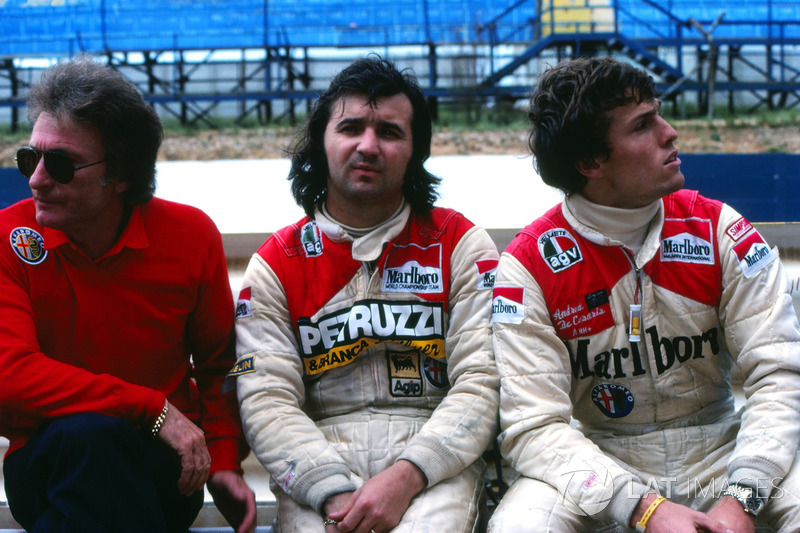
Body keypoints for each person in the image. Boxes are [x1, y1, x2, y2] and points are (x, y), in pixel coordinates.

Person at [488, 56, 800, 533]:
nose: (670, 132)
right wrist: (642, 508)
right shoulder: (528, 265)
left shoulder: (720, 230)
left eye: (659, 113)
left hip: (724, 447)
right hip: (601, 458)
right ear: (591, 162)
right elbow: (535, 427)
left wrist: (744, 495)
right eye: (642, 125)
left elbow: (778, 374)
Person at [232, 55, 500, 533]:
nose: (368, 146)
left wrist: (406, 476)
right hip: (318, 458)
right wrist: (334, 494)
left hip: (433, 458)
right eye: (351, 127)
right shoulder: (276, 263)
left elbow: (481, 381)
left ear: (416, 150)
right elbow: (268, 400)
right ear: (322, 142)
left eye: (391, 132)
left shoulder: (460, 243)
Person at [0, 55, 256, 533]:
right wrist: (150, 406)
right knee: (92, 439)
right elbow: (8, 374)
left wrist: (223, 460)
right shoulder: (5, 236)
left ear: (120, 176)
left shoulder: (190, 235)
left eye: (59, 164)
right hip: (49, 462)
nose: (35, 179)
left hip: (164, 464)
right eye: (28, 158)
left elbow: (222, 366)